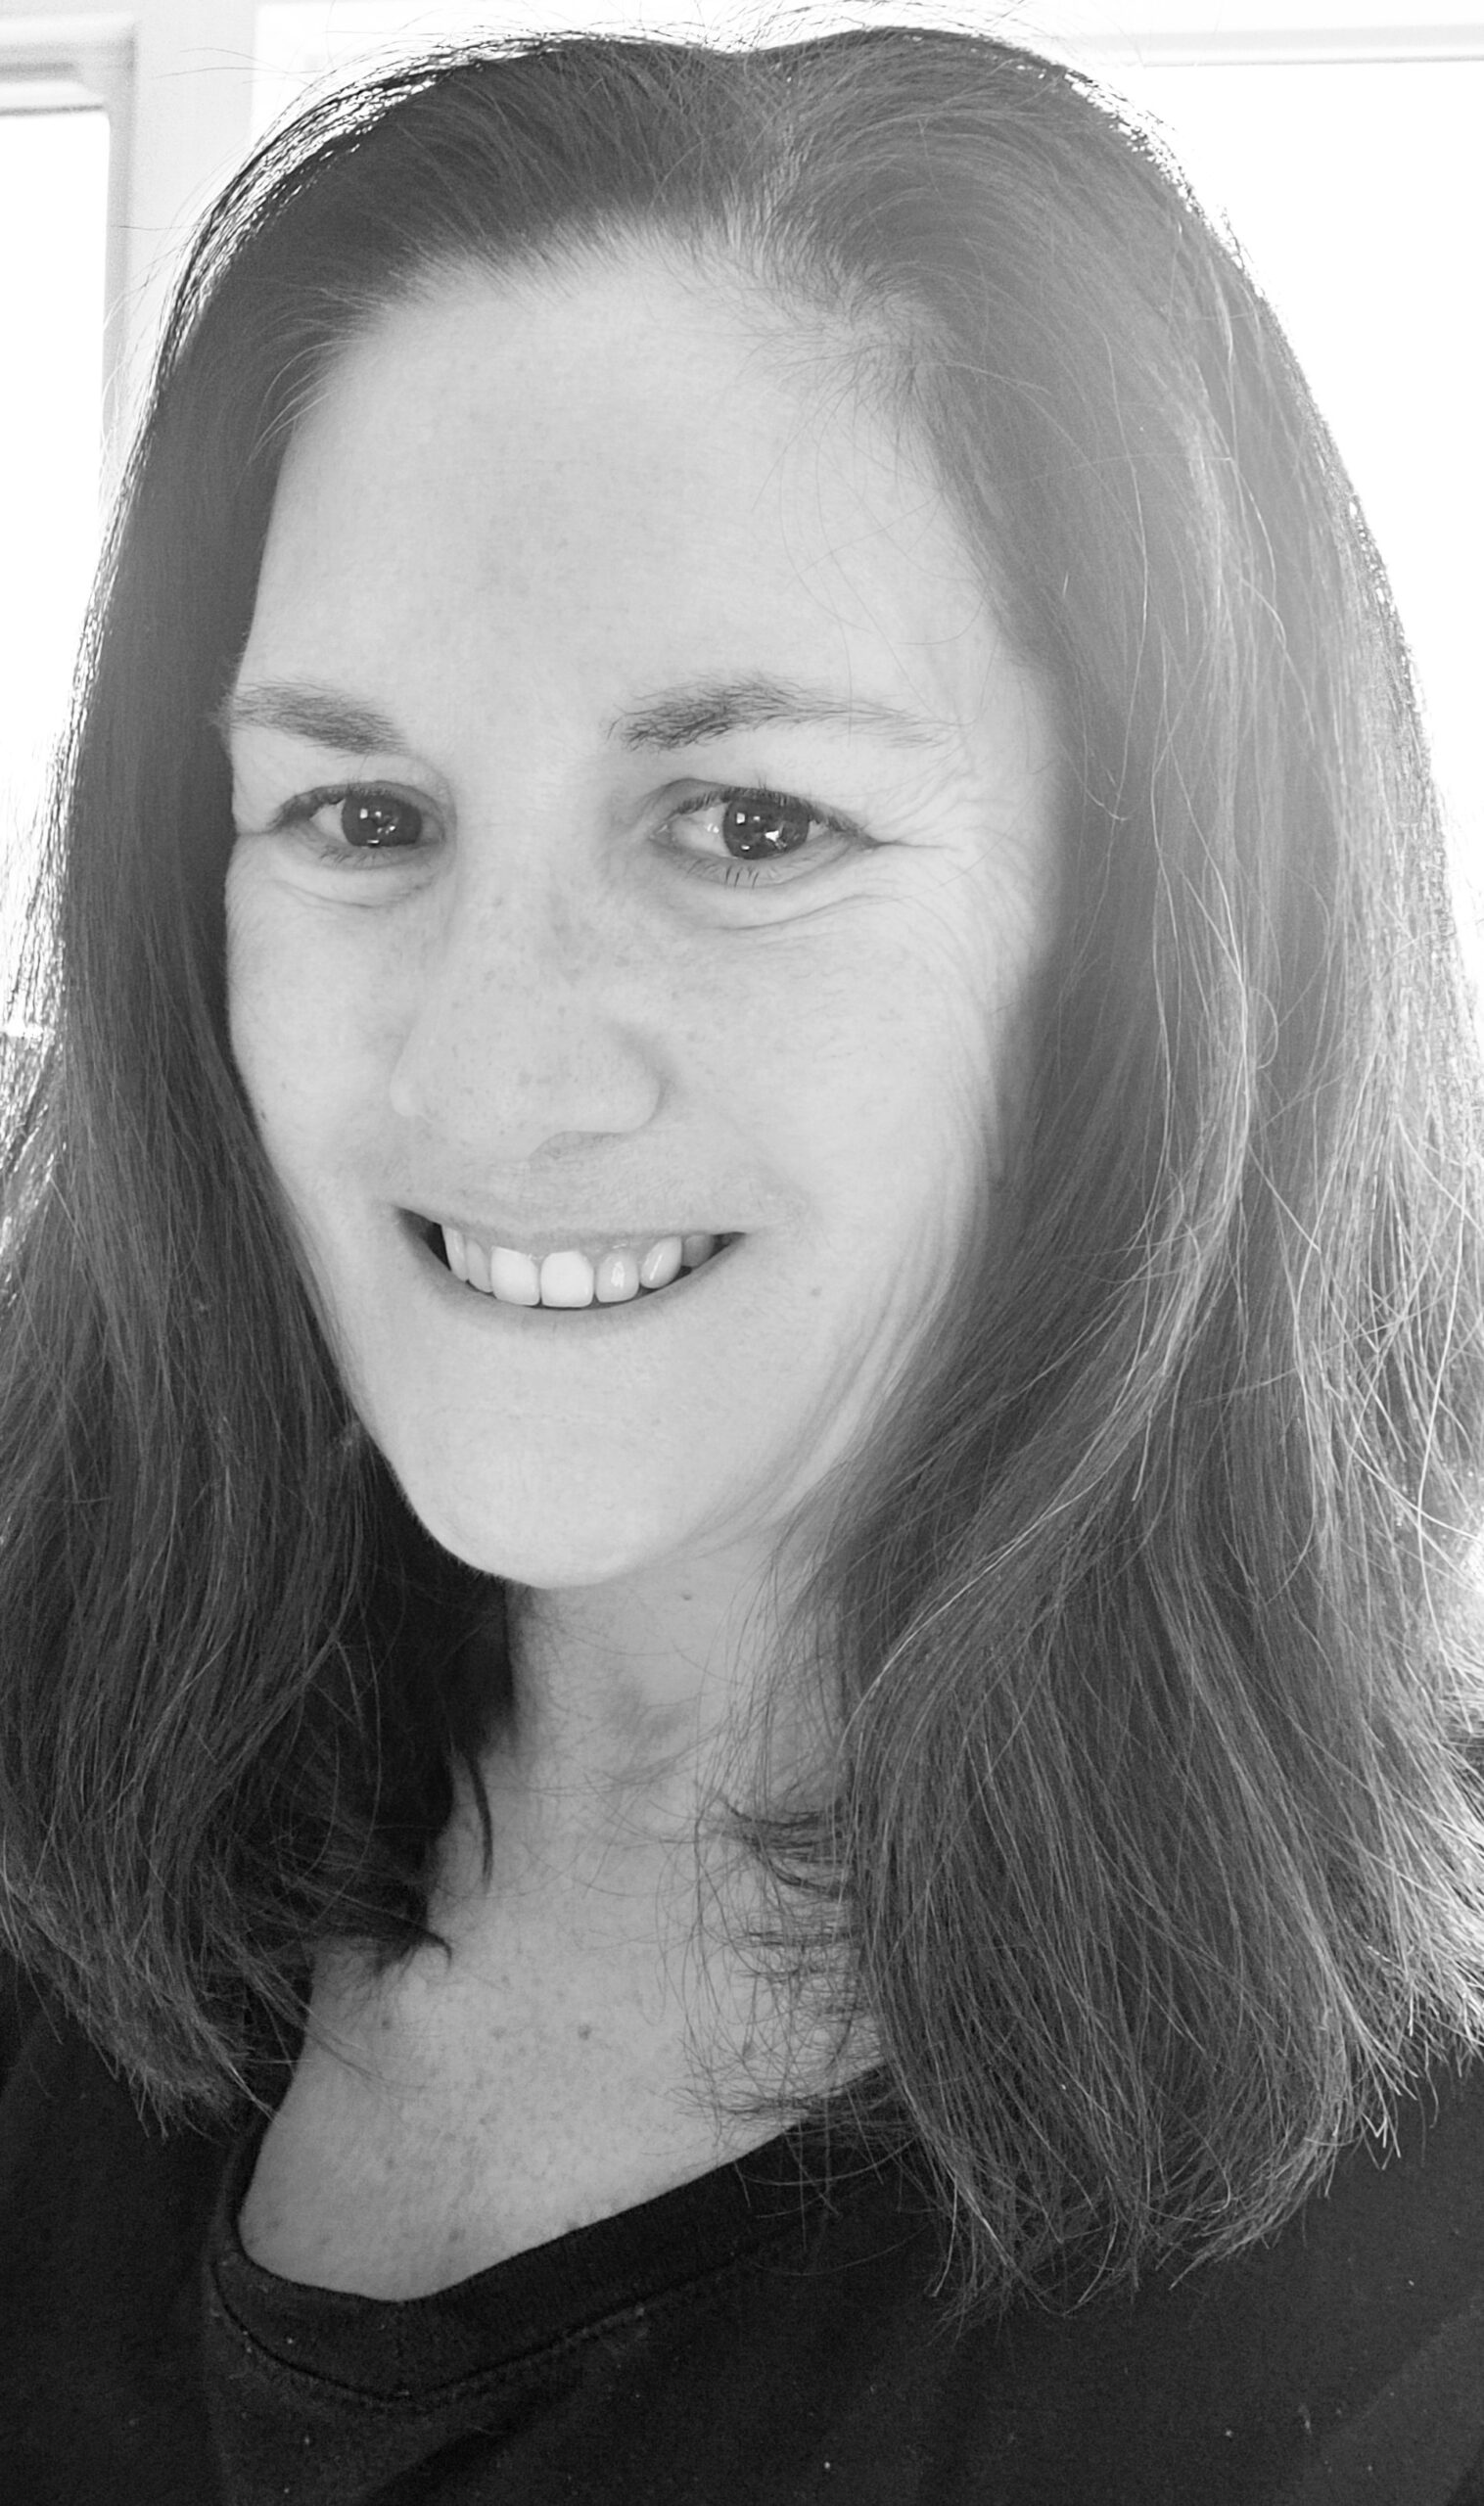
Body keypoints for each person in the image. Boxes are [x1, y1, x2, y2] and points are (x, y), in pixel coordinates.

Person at [3, 23, 1484, 2501]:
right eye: (358, 811)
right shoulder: (58, 1772)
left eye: (750, 823)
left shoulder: (1414, 2285)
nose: (491, 1076)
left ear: (1140, 932)